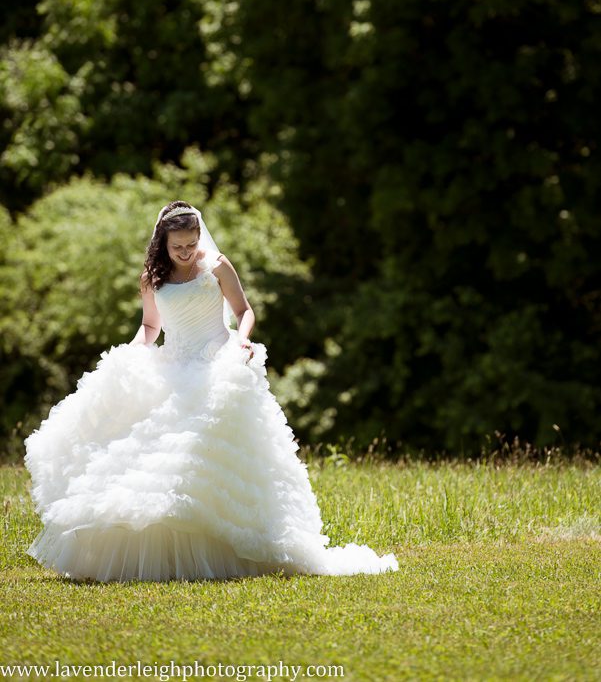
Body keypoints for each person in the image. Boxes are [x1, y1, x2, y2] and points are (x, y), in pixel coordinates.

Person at [24, 200, 399, 582]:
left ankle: (233, 546)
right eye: (177, 247)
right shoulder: (152, 277)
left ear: (199, 236)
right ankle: (166, 555)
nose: (186, 253)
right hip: (174, 363)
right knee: (156, 456)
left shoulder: (217, 266)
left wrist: (244, 341)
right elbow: (151, 326)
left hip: (215, 359)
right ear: (163, 244)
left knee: (202, 450)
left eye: (191, 244)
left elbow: (244, 311)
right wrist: (133, 353)